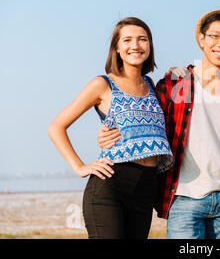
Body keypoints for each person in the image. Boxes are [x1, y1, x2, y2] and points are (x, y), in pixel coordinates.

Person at [98, 10, 220, 239]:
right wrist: (111, 132)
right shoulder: (172, 85)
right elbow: (145, 121)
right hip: (183, 197)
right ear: (202, 40)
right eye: (215, 36)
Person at [48, 17, 174, 239]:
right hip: (110, 187)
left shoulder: (152, 87)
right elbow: (56, 127)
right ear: (117, 47)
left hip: (145, 189)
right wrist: (79, 167)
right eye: (127, 40)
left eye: (142, 39)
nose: (135, 46)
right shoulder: (104, 84)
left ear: (150, 45)